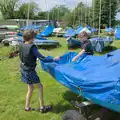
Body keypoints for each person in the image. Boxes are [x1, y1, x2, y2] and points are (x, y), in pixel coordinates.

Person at [19, 30, 59, 113]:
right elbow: (42, 58)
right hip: (29, 71)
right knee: (40, 87)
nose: (34, 39)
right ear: (32, 38)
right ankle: (42, 108)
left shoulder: (22, 45)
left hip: (23, 69)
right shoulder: (32, 47)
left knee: (30, 88)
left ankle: (27, 107)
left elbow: (22, 56)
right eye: (34, 37)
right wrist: (53, 59)